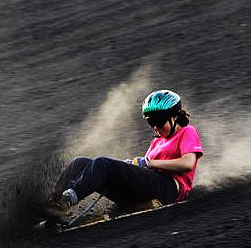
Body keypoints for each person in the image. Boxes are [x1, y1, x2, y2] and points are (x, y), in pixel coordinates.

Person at [38, 89, 203, 221]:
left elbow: (188, 163)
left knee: (102, 164)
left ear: (174, 116)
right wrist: (130, 165)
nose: (155, 127)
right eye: (151, 122)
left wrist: (149, 163)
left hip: (168, 189)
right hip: (148, 186)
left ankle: (65, 203)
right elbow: (143, 170)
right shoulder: (157, 140)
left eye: (159, 121)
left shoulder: (187, 132)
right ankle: (52, 204)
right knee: (80, 163)